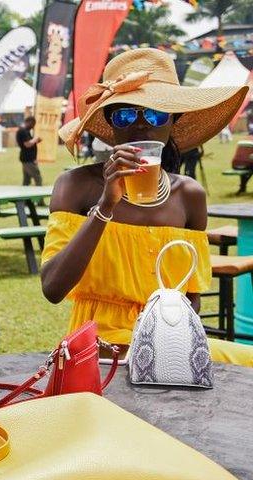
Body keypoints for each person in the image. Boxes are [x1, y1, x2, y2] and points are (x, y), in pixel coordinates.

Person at [41, 47, 252, 366]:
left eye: (155, 114)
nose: (141, 125)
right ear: (111, 124)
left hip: (168, 341)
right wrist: (105, 206)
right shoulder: (76, 186)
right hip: (101, 344)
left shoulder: (189, 195)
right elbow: (53, 289)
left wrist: (174, 342)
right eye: (125, 114)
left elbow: (190, 297)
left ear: (173, 123)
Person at [16, 116, 42, 186]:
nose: (33, 126)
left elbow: (29, 142)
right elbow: (27, 144)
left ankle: (25, 196)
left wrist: (35, 141)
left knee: (26, 180)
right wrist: (35, 139)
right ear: (29, 122)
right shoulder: (23, 131)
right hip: (28, 159)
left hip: (27, 158)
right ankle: (39, 196)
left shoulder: (25, 130)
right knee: (38, 177)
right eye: (33, 124)